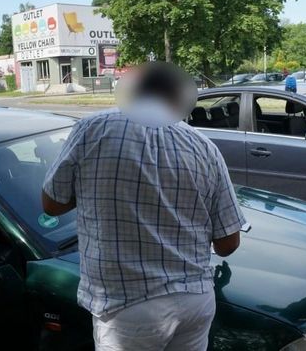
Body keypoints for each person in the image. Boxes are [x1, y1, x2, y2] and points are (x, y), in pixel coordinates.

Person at [41, 62, 246, 351]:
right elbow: (228, 243)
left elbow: (51, 204)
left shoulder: (92, 129)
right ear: (177, 97)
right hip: (194, 302)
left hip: (127, 307)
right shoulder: (204, 146)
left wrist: (96, 191)